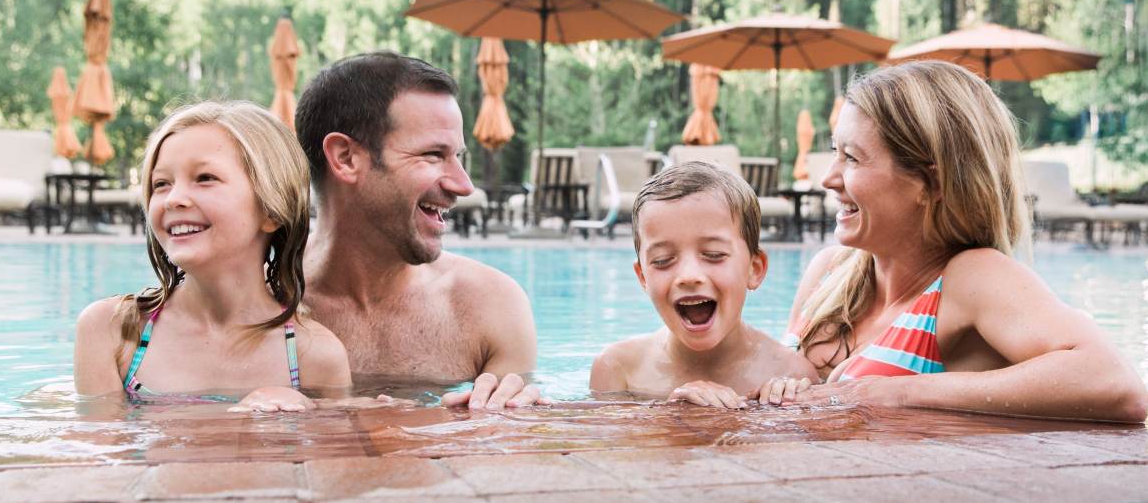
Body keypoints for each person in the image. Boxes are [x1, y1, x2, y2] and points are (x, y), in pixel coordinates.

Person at [760, 61, 1148, 422]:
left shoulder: (969, 278)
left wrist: (896, 393)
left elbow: (1115, 384)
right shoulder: (830, 271)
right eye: (834, 152)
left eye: (852, 158)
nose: (828, 178)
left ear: (931, 184)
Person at [295, 52, 545, 409]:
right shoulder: (261, 308)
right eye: (433, 154)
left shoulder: (491, 308)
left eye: (459, 156)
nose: (464, 185)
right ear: (346, 158)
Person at [74, 101, 350, 410]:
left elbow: (334, 455)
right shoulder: (113, 331)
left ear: (271, 209)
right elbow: (100, 454)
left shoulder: (313, 355)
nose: (174, 199)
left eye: (205, 178)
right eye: (161, 184)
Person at [589, 162, 818, 408]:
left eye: (713, 255)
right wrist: (670, 414)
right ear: (643, 276)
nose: (689, 276)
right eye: (663, 260)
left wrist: (781, 409)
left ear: (754, 269)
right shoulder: (619, 370)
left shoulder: (792, 373)